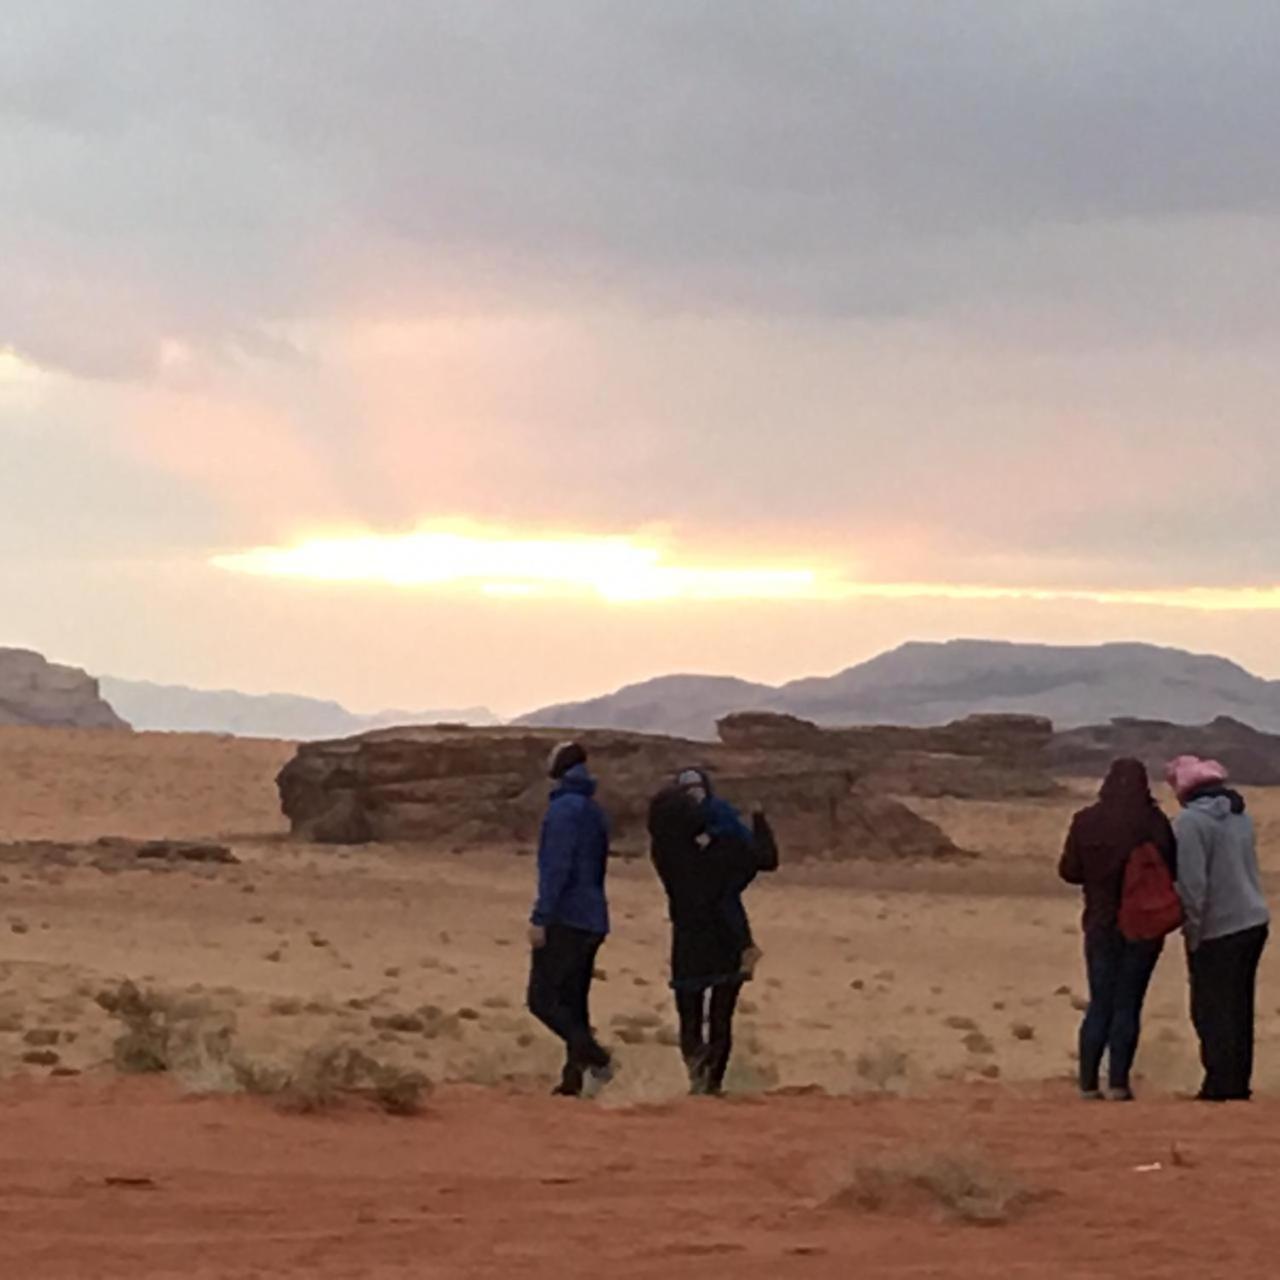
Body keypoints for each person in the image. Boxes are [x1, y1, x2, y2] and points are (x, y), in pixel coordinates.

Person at [648, 771, 779, 1095]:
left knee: (689, 1016)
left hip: (688, 936)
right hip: (728, 936)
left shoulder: (666, 850)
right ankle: (712, 1085)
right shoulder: (728, 842)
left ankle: (697, 1080)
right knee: (721, 1017)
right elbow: (766, 859)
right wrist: (759, 819)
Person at [1059, 758, 1176, 1100]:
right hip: (1143, 924)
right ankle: (1119, 1083)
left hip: (1100, 923)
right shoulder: (1154, 822)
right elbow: (1172, 870)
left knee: (1100, 1001)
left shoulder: (1086, 821)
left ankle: (1087, 1084)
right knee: (1128, 1003)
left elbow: (1069, 870)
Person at [1167, 755, 1270, 1102]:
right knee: (1238, 1007)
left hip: (1218, 927)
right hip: (1253, 920)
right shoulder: (1241, 818)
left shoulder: (1190, 824)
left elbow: (1193, 885)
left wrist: (1192, 932)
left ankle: (1218, 1084)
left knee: (1210, 1008)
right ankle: (1236, 1082)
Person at [526, 741, 614, 1098]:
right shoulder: (593, 810)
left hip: (567, 917)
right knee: (574, 1001)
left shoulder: (563, 811)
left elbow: (556, 868)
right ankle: (573, 1080)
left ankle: (598, 1060)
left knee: (542, 1000)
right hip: (593, 916)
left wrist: (541, 916)